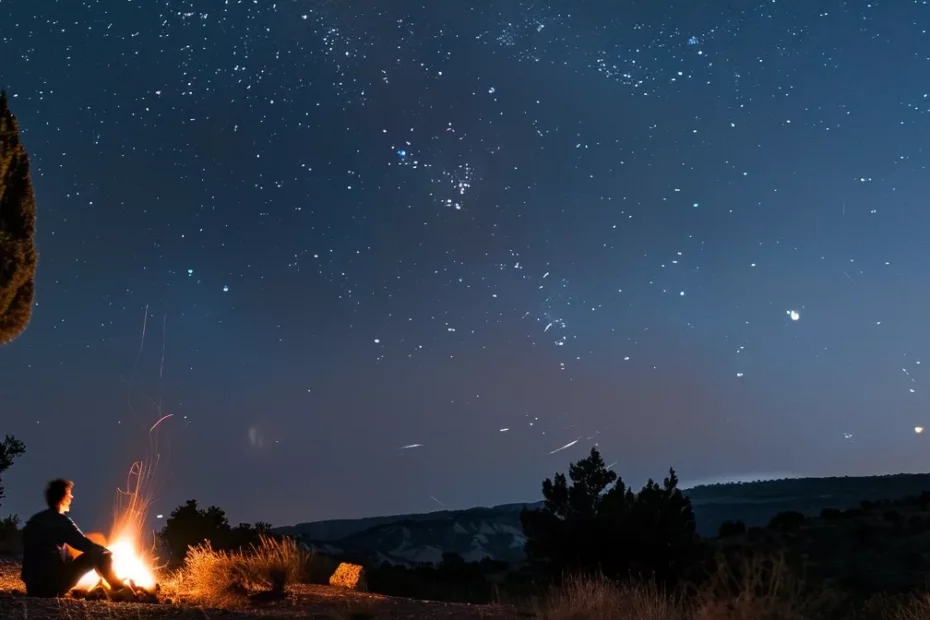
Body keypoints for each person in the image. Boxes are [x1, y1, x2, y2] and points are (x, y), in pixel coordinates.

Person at [20, 478, 128, 597]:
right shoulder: (61, 522)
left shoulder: (34, 520)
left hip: (33, 587)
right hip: (52, 587)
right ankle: (118, 587)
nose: (72, 497)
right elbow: (87, 546)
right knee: (100, 552)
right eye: (69, 494)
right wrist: (107, 554)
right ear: (63, 497)